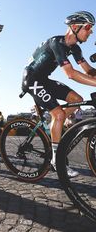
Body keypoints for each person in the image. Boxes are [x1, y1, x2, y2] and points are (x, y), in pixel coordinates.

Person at [21, 11, 95, 177]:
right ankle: (56, 161)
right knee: (60, 114)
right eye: (89, 27)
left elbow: (89, 70)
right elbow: (70, 74)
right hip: (31, 79)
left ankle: (53, 120)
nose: (91, 32)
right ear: (75, 27)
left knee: (77, 100)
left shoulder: (75, 48)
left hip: (44, 79)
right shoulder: (57, 43)